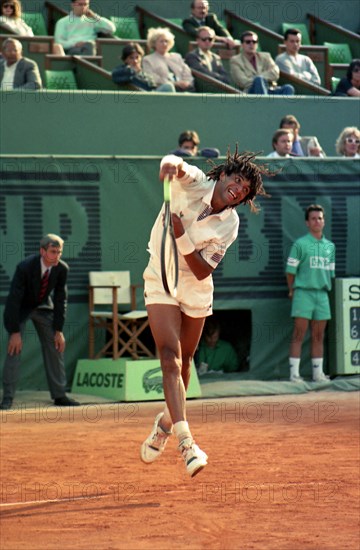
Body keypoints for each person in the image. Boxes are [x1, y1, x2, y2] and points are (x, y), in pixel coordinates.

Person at [140, 146, 270, 477]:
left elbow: (201, 271)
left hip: (195, 289)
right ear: (223, 175)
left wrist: (182, 236)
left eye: (245, 190)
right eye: (237, 180)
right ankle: (187, 443)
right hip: (161, 279)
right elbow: (178, 165)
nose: (239, 189)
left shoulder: (230, 225)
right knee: (169, 359)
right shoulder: (195, 182)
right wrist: (168, 163)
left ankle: (167, 422)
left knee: (183, 367)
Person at [0, 234, 80, 410]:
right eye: (53, 252)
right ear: (42, 251)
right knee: (15, 348)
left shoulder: (61, 269)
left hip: (44, 307)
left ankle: (60, 395)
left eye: (59, 252)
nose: (57, 256)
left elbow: (60, 300)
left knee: (55, 344)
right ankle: (7, 398)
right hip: (21, 308)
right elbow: (14, 300)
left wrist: (58, 330)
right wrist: (15, 332)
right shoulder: (25, 267)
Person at [286, 205, 335, 383]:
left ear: (324, 221)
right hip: (303, 293)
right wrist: (292, 291)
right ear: (307, 223)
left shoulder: (330, 247)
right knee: (299, 334)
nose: (317, 221)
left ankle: (317, 374)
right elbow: (290, 271)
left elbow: (331, 273)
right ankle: (294, 374)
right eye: (314, 218)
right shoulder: (300, 244)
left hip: (322, 295)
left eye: (320, 218)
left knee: (318, 336)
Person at [230, 31, 294, 95]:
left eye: (254, 42)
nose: (251, 44)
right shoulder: (235, 60)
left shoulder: (266, 56)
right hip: (250, 93)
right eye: (248, 42)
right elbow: (243, 82)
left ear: (257, 44)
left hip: (269, 89)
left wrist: (260, 78)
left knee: (288, 88)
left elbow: (275, 73)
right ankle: (265, 104)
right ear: (242, 45)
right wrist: (259, 80)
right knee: (258, 80)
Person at [0, 0, 65, 55]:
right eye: (6, 6)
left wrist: (28, 36)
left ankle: (62, 68)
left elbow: (29, 30)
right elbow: (17, 31)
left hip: (30, 42)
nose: (8, 8)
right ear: (1, 8)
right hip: (20, 44)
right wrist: (27, 35)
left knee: (57, 47)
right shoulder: (2, 19)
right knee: (55, 47)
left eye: (11, 7)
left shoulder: (18, 20)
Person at [142, 27, 195, 93]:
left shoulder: (177, 56)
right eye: (161, 41)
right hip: (163, 90)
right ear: (154, 43)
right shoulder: (148, 59)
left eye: (166, 41)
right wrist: (174, 83)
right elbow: (152, 78)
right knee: (169, 87)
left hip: (182, 88)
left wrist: (186, 82)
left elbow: (187, 72)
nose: (164, 44)